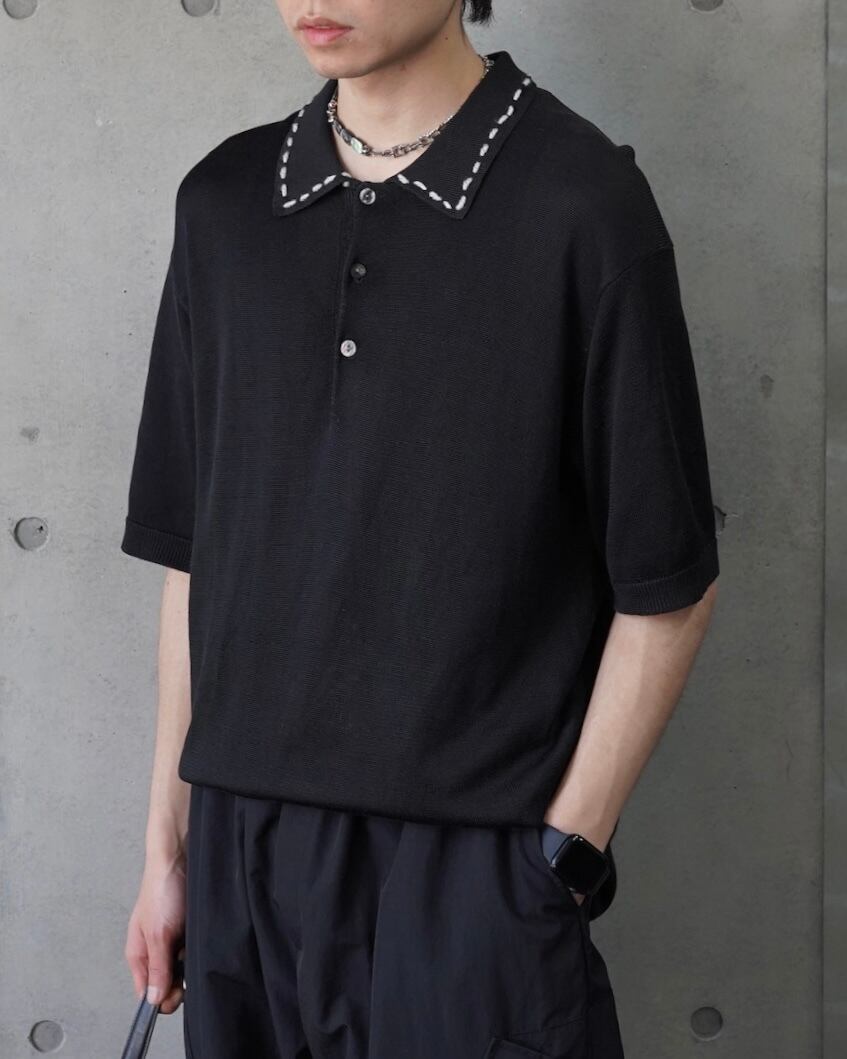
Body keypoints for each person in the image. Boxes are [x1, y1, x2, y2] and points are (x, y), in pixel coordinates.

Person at [120, 2, 720, 1057]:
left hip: (474, 871)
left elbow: (666, 583)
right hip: (239, 857)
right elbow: (195, 562)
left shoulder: (579, 202)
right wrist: (167, 853)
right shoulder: (222, 202)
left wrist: (564, 856)